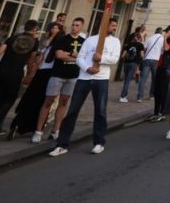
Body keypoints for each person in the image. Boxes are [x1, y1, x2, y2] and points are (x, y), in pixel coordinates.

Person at [48, 17, 122, 157]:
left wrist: (101, 59)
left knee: (100, 111)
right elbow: (80, 57)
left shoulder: (115, 41)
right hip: (84, 77)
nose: (114, 28)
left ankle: (99, 142)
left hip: (101, 78)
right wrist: (87, 68)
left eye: (115, 26)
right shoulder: (90, 40)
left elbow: (115, 58)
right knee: (72, 110)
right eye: (112, 25)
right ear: (104, 24)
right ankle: (62, 144)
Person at [0, 19, 39, 145]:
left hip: (0, 70)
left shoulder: (13, 37)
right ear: (34, 30)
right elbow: (31, 60)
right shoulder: (34, 42)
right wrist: (29, 74)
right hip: (15, 73)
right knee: (9, 100)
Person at [33, 17, 84, 143]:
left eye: (77, 25)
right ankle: (38, 131)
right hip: (58, 74)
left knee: (64, 102)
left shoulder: (84, 42)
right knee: (49, 100)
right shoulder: (63, 39)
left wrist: (71, 56)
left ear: (82, 27)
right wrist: (75, 56)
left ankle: (56, 130)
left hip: (72, 76)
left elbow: (85, 57)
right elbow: (59, 55)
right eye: (73, 25)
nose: (74, 27)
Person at [8, 21, 60, 139]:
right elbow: (39, 58)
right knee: (35, 100)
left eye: (57, 28)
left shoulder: (53, 45)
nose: (55, 30)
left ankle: (26, 125)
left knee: (37, 101)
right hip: (44, 74)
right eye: (54, 28)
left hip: (45, 74)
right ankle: (23, 126)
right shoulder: (46, 44)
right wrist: (31, 72)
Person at [139, 26, 169, 104]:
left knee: (143, 79)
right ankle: (151, 95)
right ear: (161, 32)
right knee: (154, 79)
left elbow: (144, 48)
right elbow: (165, 50)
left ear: (155, 31)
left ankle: (140, 97)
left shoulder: (150, 38)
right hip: (156, 60)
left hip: (147, 59)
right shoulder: (162, 39)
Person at [119, 31, 144, 103]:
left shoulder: (128, 45)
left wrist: (127, 56)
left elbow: (123, 56)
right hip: (134, 64)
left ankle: (123, 95)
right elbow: (142, 55)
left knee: (126, 79)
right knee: (127, 80)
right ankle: (123, 96)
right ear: (139, 38)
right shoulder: (140, 45)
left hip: (126, 63)